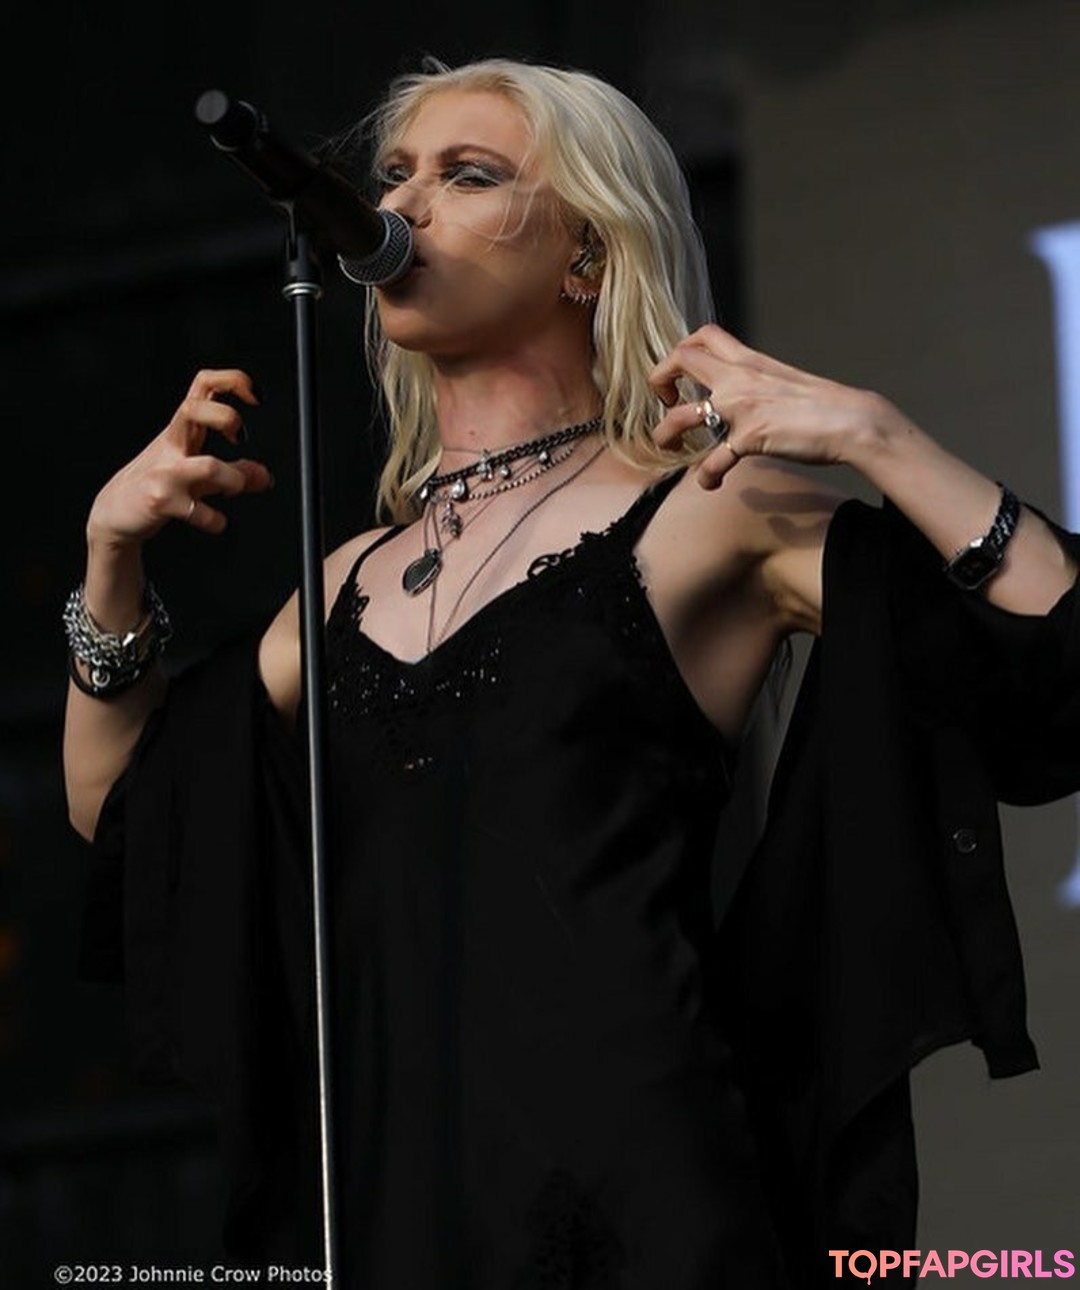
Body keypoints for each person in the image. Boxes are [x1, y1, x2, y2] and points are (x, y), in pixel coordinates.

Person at [63, 57, 1080, 1289]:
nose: (403, 205)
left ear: (586, 253)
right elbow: (131, 820)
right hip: (400, 1204)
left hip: (641, 1200)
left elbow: (1057, 656)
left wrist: (883, 438)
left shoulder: (709, 510)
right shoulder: (343, 583)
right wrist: (111, 567)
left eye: (468, 175)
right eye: (395, 176)